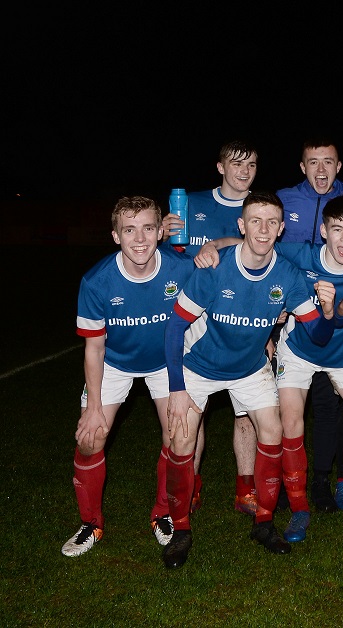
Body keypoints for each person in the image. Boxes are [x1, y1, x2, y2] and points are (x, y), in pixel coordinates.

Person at [160, 191, 338, 569]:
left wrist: (326, 309)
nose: (263, 229)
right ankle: (181, 529)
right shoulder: (215, 269)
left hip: (250, 368)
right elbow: (175, 328)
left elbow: (318, 336)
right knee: (180, 438)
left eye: (272, 221)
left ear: (281, 227)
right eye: (255, 220)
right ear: (241, 226)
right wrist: (176, 388)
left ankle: (263, 522)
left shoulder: (287, 276)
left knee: (273, 432)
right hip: (200, 367)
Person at [62, 196, 195, 557]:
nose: (140, 239)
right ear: (115, 235)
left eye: (148, 228)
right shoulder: (97, 282)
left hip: (166, 362)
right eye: (129, 230)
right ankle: (91, 523)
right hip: (115, 364)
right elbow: (94, 348)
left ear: (160, 231)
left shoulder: (181, 268)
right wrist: (92, 406)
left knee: (180, 434)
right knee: (91, 437)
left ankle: (163, 514)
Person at [277, 137, 343, 514]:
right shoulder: (300, 255)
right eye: (337, 229)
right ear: (323, 231)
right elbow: (251, 247)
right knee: (291, 423)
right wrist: (209, 247)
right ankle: (301, 503)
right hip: (301, 349)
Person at [162, 139, 260, 516]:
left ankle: (245, 489)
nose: (244, 171)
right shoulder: (192, 204)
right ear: (220, 167)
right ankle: (191, 486)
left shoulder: (259, 207)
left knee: (245, 411)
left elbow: (266, 248)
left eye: (251, 164)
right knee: (192, 411)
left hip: (244, 320)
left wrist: (220, 243)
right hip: (194, 320)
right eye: (236, 164)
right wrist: (163, 232)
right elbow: (173, 257)